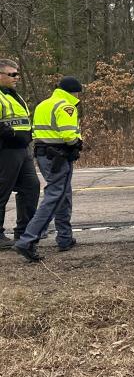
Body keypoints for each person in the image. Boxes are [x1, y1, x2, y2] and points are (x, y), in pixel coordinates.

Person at [14, 76, 83, 262]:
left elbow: (37, 131)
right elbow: (69, 135)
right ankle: (28, 240)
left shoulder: (44, 104)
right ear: (74, 92)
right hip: (59, 156)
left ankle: (64, 238)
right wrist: (77, 143)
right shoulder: (66, 106)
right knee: (55, 196)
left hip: (44, 154)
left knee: (63, 194)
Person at [0, 57, 39, 248]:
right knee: (2, 192)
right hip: (6, 150)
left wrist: (27, 136)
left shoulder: (14, 95)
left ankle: (25, 231)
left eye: (17, 74)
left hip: (22, 149)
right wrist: (12, 135)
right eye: (12, 74)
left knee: (31, 187)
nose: (16, 77)